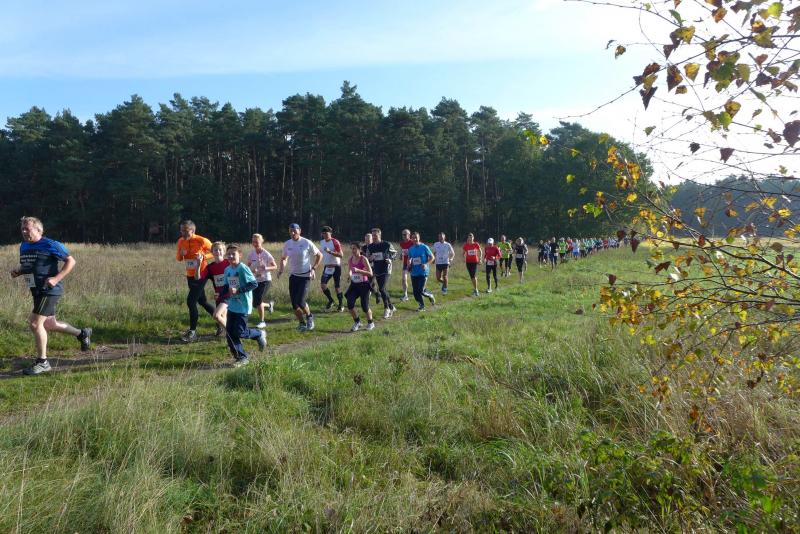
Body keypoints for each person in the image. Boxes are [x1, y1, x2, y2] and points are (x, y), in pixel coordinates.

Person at [11, 216, 92, 375]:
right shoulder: (24, 246)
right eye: (22, 229)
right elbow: (29, 264)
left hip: (49, 290)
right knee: (49, 324)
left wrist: (56, 279)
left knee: (35, 324)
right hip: (36, 290)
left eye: (28, 229)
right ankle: (82, 333)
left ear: (38, 230)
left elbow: (71, 261)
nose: (24, 232)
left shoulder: (50, 244)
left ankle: (43, 362)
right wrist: (19, 271)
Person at [221, 245, 266, 366]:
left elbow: (254, 284)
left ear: (240, 255)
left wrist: (238, 290)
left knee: (240, 332)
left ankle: (258, 334)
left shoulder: (243, 268)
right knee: (230, 334)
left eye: (233, 254)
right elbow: (226, 285)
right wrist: (220, 294)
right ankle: (241, 358)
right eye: (229, 254)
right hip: (232, 306)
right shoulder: (227, 270)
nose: (231, 256)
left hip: (243, 306)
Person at [278, 223, 323, 332]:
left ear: (300, 231)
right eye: (290, 231)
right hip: (293, 276)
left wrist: (314, 268)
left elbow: (319, 255)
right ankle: (302, 323)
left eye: (294, 230)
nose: (292, 233)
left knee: (300, 301)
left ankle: (309, 316)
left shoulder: (306, 242)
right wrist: (281, 269)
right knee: (294, 304)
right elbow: (284, 258)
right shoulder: (287, 244)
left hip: (305, 276)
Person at [176, 220, 214, 342]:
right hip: (190, 275)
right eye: (181, 230)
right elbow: (178, 258)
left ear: (192, 230)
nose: (183, 233)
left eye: (185, 231)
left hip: (202, 274)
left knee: (191, 301)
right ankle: (221, 320)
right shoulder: (180, 241)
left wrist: (203, 256)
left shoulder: (202, 240)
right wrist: (181, 254)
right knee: (202, 301)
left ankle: (192, 332)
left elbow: (215, 252)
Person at [366, 228, 397, 319]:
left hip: (386, 269)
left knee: (382, 288)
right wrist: (370, 259)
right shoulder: (370, 247)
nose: (374, 237)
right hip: (377, 269)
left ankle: (386, 308)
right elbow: (367, 258)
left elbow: (394, 253)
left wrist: (390, 259)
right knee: (383, 289)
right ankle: (391, 306)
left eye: (375, 235)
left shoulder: (386, 244)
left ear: (380, 235)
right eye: (373, 235)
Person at [247, 233, 276, 329]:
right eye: (253, 242)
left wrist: (266, 268)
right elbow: (248, 267)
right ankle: (269, 305)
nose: (255, 244)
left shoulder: (266, 254)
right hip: (255, 280)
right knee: (254, 303)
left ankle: (262, 321)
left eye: (257, 242)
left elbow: (275, 266)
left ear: (261, 241)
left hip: (265, 280)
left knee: (258, 300)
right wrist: (252, 270)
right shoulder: (251, 254)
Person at [345, 242, 375, 331]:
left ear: (359, 249)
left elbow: (370, 273)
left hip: (364, 285)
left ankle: (371, 322)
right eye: (351, 248)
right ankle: (357, 322)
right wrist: (349, 276)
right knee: (350, 304)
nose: (352, 250)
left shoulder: (363, 259)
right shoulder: (350, 259)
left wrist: (359, 270)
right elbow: (350, 270)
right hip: (354, 285)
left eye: (354, 248)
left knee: (364, 306)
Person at [205, 241, 230, 336]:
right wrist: (199, 264)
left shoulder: (228, 263)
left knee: (216, 315)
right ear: (212, 252)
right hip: (218, 295)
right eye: (215, 250)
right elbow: (199, 277)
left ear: (224, 252)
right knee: (223, 315)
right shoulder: (210, 267)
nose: (218, 251)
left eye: (220, 249)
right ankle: (229, 335)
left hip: (229, 294)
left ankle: (232, 333)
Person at [406, 232, 436, 311]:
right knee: (415, 292)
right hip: (414, 272)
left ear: (419, 238)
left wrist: (426, 264)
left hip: (423, 272)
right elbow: (409, 258)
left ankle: (430, 295)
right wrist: (408, 264)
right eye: (413, 238)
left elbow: (432, 257)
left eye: (416, 237)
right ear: (411, 239)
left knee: (421, 291)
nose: (415, 239)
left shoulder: (424, 247)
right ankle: (421, 306)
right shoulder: (411, 249)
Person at [319, 226, 344, 312]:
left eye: (326, 233)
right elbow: (322, 253)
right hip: (327, 267)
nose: (325, 235)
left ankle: (341, 305)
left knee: (337, 287)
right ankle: (331, 300)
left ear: (330, 233)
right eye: (323, 234)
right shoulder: (322, 242)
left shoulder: (335, 241)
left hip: (336, 266)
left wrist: (330, 252)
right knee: (323, 285)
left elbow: (341, 255)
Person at [462, 232, 483, 297]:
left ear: (473, 238)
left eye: (471, 237)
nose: (470, 239)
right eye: (469, 237)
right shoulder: (466, 245)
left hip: (474, 262)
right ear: (468, 238)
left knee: (473, 275)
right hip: (468, 262)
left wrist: (480, 258)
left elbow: (480, 251)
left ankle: (476, 290)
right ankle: (475, 289)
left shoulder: (476, 244)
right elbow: (463, 253)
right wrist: (464, 258)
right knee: (472, 276)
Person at [398, 229, 414, 301]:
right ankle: (405, 295)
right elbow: (402, 253)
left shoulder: (413, 242)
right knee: (404, 279)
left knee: (415, 280)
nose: (403, 236)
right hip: (405, 263)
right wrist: (401, 256)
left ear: (409, 235)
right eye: (403, 235)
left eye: (405, 234)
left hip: (414, 263)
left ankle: (420, 291)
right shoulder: (401, 243)